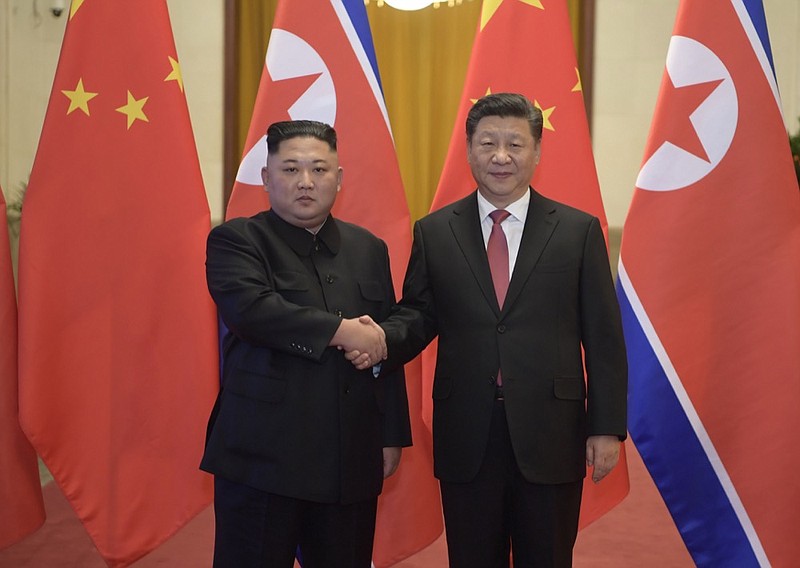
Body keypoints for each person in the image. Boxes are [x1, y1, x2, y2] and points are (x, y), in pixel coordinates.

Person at [351, 93, 627, 567]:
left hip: (551, 430)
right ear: (469, 149)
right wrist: (377, 341)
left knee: (548, 556)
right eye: (488, 143)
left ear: (537, 152)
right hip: (467, 431)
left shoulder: (577, 231)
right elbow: (419, 315)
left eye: (515, 144)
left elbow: (603, 337)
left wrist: (606, 429)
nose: (501, 156)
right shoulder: (435, 231)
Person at [201, 120, 411, 568]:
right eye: (291, 169)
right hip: (262, 458)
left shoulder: (368, 247)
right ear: (266, 177)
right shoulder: (237, 240)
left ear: (339, 177)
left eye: (319, 169)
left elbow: (384, 341)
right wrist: (342, 331)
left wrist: (390, 433)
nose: (305, 182)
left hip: (349, 458)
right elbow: (253, 312)